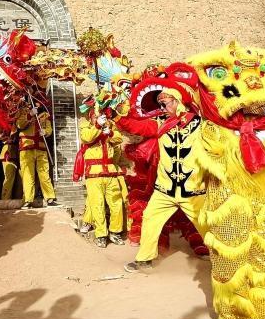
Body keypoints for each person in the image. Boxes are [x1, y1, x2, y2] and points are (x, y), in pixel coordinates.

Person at [117, 89, 205, 272]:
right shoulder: (161, 124)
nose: (162, 108)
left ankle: (225, 260)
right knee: (150, 218)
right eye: (160, 105)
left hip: (193, 191)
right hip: (165, 190)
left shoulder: (200, 124)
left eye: (164, 104)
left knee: (206, 226)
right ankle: (144, 260)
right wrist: (117, 117)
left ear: (177, 101)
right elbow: (137, 127)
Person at [73, 110, 126, 248]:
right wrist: (97, 126)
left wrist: (110, 133)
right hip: (94, 174)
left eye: (101, 117)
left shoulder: (109, 127)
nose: (99, 118)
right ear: (91, 118)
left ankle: (115, 232)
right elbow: (87, 138)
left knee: (116, 204)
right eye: (95, 117)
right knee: (97, 205)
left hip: (110, 172)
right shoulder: (86, 128)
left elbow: (119, 139)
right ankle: (101, 235)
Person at [16, 105, 58, 208]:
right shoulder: (22, 112)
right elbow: (20, 125)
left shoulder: (45, 116)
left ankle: (49, 197)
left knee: (44, 174)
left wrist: (46, 132)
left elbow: (49, 129)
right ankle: (28, 199)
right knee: (27, 174)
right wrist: (30, 115)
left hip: (41, 147)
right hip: (26, 147)